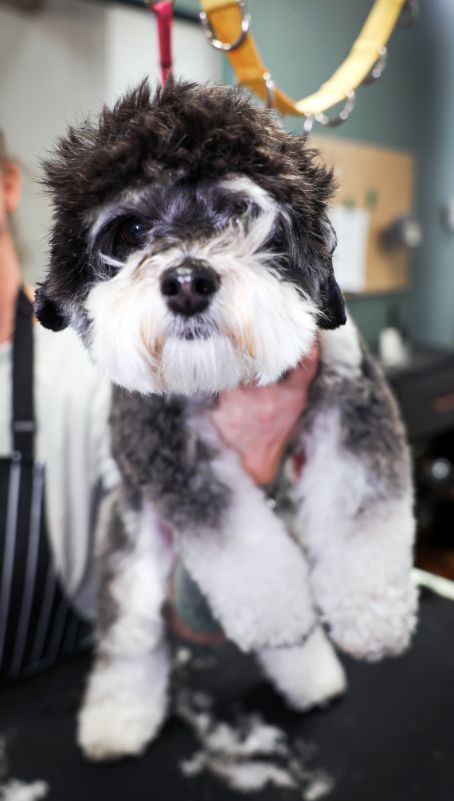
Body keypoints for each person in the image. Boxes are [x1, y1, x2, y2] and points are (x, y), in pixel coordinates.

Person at [0, 129, 319, 680]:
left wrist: (251, 467)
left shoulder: (113, 369)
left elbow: (193, 621)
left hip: (62, 704)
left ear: (7, 184)